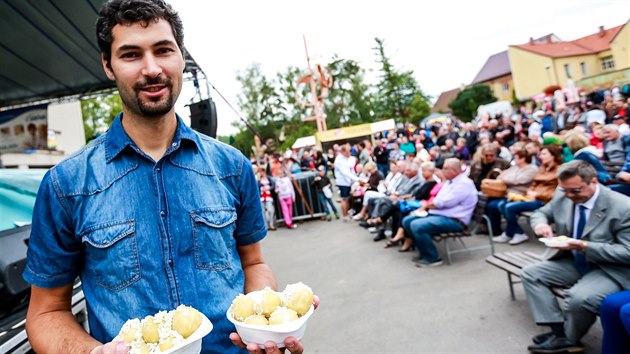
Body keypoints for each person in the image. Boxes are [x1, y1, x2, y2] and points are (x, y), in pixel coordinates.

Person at [22, 1, 315, 353]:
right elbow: (45, 312)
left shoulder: (232, 166)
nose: (152, 69)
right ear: (107, 65)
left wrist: (264, 326)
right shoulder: (65, 184)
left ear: (180, 57)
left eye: (163, 50)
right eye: (131, 55)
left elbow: (254, 262)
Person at [522, 160, 630, 353]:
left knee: (579, 298)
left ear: (594, 181)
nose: (570, 196)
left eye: (576, 191)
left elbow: (628, 252)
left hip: (607, 268)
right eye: (565, 190)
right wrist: (540, 224)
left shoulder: (623, 207)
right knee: (531, 274)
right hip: (574, 261)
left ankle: (569, 338)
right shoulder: (564, 194)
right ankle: (558, 331)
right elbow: (540, 213)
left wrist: (584, 246)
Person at [401, 158, 478, 267]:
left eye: (445, 168)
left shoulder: (463, 184)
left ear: (455, 170)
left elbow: (445, 203)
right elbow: (439, 199)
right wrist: (427, 205)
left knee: (417, 225)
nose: (443, 170)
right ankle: (425, 252)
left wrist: (426, 206)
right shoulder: (450, 182)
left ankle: (432, 258)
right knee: (407, 220)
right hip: (442, 215)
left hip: (455, 220)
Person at [494, 145, 563, 245]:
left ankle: (513, 233)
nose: (540, 156)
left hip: (544, 201)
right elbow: (534, 183)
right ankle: (516, 232)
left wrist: (538, 194)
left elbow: (557, 191)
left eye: (544, 154)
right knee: (502, 204)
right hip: (532, 198)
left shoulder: (559, 170)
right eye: (541, 154)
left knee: (509, 207)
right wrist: (530, 191)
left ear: (553, 156)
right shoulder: (543, 168)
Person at [334, 144, 359, 221]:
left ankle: (348, 213)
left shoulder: (346, 159)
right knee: (344, 199)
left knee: (348, 198)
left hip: (348, 181)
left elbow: (350, 170)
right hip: (343, 182)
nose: (350, 153)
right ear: (343, 152)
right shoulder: (339, 160)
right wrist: (357, 179)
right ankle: (345, 215)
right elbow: (345, 172)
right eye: (348, 152)